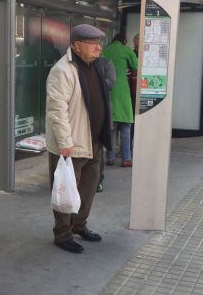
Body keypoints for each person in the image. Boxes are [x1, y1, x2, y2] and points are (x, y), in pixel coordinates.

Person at [45, 24, 112, 254]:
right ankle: (62, 234)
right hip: (72, 143)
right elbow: (57, 109)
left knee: (88, 187)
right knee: (65, 189)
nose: (98, 47)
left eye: (99, 43)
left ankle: (79, 225)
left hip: (93, 140)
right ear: (76, 45)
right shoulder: (62, 70)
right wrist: (65, 143)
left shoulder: (93, 66)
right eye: (92, 43)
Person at [103, 32, 137, 167]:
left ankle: (110, 157)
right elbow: (136, 66)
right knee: (126, 126)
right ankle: (126, 158)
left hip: (108, 90)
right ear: (124, 40)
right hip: (122, 91)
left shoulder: (106, 50)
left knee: (110, 127)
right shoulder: (126, 50)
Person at [95, 53, 116, 193]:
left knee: (98, 147)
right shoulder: (75, 65)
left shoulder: (106, 63)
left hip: (100, 110)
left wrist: (95, 81)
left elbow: (111, 82)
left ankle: (98, 180)